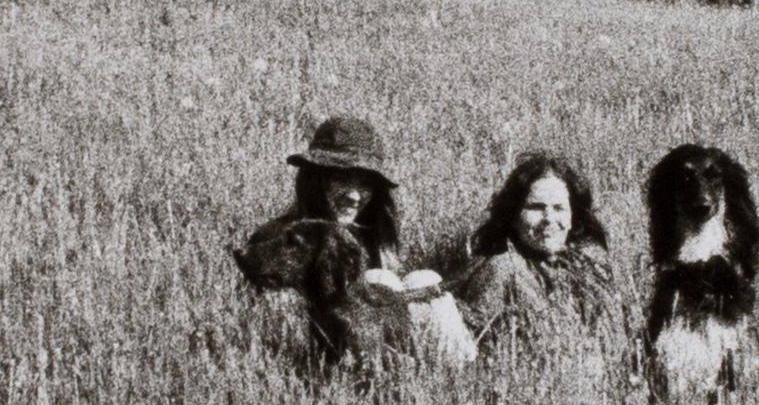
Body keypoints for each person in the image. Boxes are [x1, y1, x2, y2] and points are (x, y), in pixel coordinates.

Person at [246, 115, 473, 362]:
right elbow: (285, 322)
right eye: (342, 179)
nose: (354, 196)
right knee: (380, 279)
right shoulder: (281, 239)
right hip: (327, 357)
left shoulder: (369, 236)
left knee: (423, 279)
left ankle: (453, 373)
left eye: (365, 185)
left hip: (388, 347)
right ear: (315, 180)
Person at [448, 150, 620, 355]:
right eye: (536, 207)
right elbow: (471, 346)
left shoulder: (590, 263)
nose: (548, 218)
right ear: (514, 216)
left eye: (559, 208)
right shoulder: (503, 268)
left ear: (573, 217)